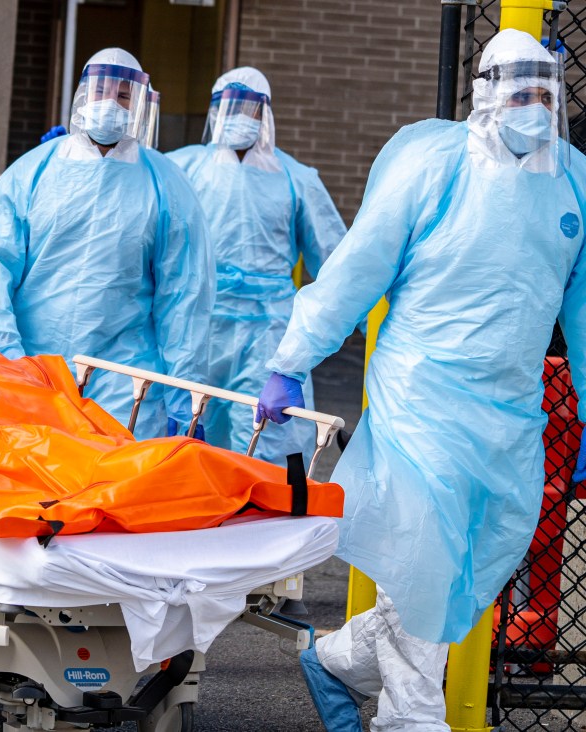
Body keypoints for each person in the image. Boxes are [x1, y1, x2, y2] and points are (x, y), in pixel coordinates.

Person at [255, 29, 586, 730]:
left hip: (510, 417)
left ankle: (338, 659)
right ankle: (411, 719)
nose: (532, 105)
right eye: (518, 88)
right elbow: (356, 269)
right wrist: (292, 358)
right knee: (427, 567)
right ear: (487, 93)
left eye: (543, 90)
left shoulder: (575, 182)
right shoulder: (434, 168)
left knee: (456, 585)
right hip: (421, 400)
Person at [0, 48, 214, 439]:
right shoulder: (31, 174)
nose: (110, 103)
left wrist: (184, 402)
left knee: (113, 487)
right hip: (35, 369)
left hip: (125, 381)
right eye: (102, 90)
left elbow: (183, 300)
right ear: (83, 94)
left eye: (123, 95)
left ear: (139, 105)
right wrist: (9, 360)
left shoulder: (166, 184)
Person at [167, 68, 346, 463]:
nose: (238, 116)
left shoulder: (297, 179)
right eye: (228, 106)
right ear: (213, 112)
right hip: (201, 329)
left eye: (248, 107)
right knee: (196, 447)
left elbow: (339, 267)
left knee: (270, 449)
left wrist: (374, 324)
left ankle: (270, 523)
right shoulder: (179, 169)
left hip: (269, 336)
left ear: (265, 114)